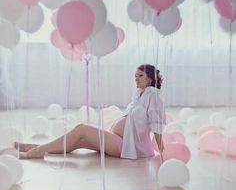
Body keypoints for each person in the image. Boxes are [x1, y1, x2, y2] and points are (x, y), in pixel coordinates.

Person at [15, 64, 166, 161]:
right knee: (78, 141)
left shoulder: (153, 97)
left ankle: (38, 150)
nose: (136, 79)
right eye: (135, 76)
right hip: (118, 139)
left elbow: (156, 125)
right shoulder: (139, 94)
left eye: (140, 76)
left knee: (82, 128)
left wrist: (162, 154)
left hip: (125, 145)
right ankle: (37, 147)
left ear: (151, 79)